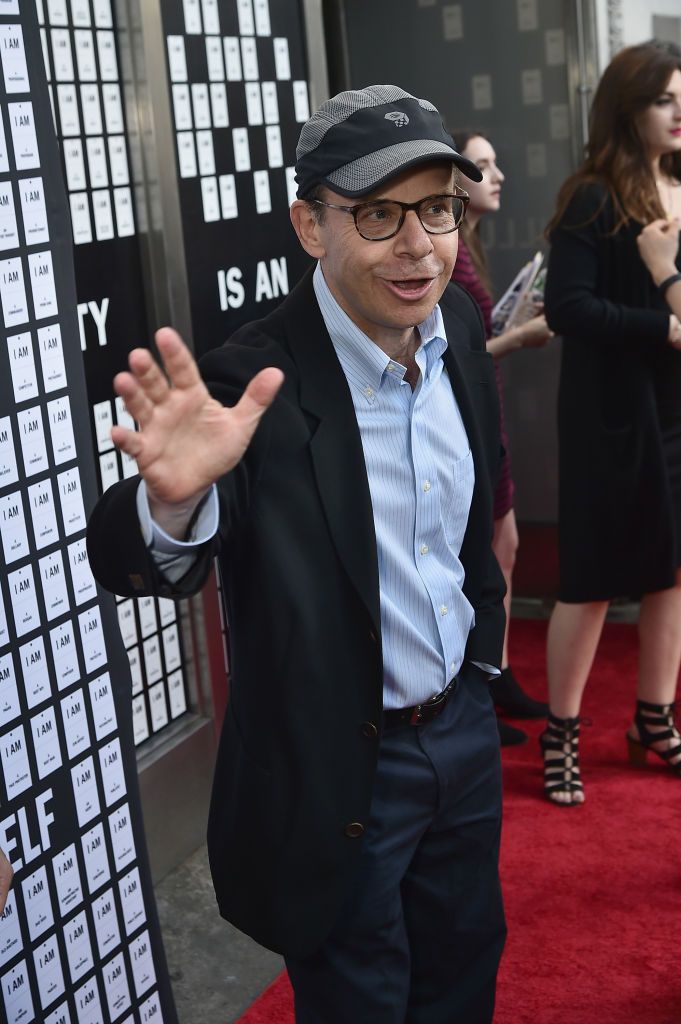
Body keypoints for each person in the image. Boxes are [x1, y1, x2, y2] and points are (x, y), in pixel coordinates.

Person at [87, 86, 507, 1022]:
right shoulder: (252, 382)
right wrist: (172, 496)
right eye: (377, 214)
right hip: (340, 767)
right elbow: (132, 556)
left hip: (463, 736)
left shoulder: (462, 333)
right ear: (310, 225)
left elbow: (467, 533)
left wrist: (481, 668)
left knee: (463, 975)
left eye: (436, 207)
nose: (417, 245)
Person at [541, 40, 681, 806]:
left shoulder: (679, 185)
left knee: (673, 572)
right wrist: (657, 327)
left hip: (674, 408)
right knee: (590, 582)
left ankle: (653, 719)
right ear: (626, 109)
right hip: (608, 413)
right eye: (664, 98)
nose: (678, 111)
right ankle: (560, 730)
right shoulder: (592, 196)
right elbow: (567, 309)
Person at [451, 130, 552, 746]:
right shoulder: (447, 252)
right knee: (485, 552)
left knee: (505, 544)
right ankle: (480, 685)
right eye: (483, 165)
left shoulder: (469, 245)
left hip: (486, 411)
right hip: (465, 413)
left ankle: (499, 672)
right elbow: (450, 355)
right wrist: (518, 337)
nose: (498, 175)